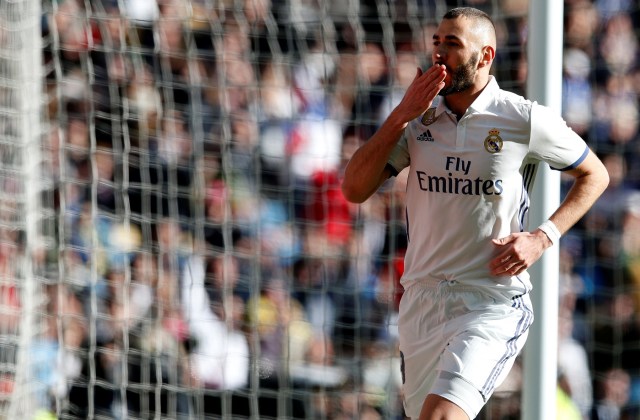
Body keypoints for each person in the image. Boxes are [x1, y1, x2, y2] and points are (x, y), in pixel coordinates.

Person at [341, 7, 609, 420]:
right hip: (422, 300)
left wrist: (543, 237)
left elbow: (596, 174)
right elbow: (354, 189)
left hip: (490, 301)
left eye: (452, 44)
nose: (439, 53)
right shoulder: (417, 120)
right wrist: (400, 114)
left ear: (485, 56)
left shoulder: (522, 118)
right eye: (437, 42)